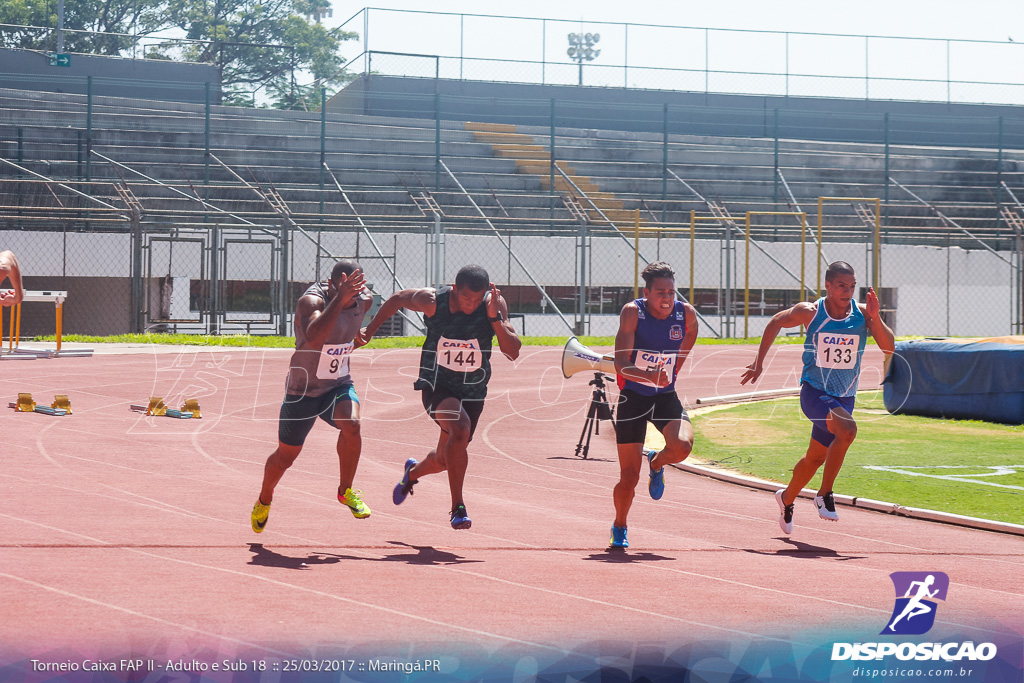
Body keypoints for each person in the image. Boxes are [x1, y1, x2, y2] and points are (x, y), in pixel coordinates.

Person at [356, 265, 521, 530]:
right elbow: (398, 299)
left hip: (473, 390)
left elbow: (512, 351)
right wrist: (370, 331)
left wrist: (494, 319)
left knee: (447, 459)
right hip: (437, 383)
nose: (472, 304)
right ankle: (458, 508)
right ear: (455, 289)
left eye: (478, 299)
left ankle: (411, 474)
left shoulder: (494, 304)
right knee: (460, 427)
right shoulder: (433, 301)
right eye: (467, 298)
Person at [740, 261, 895, 535]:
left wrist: (876, 316)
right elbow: (776, 322)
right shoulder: (811, 312)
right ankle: (824, 493)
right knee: (847, 430)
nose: (847, 292)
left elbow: (888, 347)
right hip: (814, 392)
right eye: (841, 286)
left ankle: (786, 498)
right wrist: (758, 361)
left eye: (851, 286)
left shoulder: (862, 315)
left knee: (814, 458)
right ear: (828, 286)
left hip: (845, 397)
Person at [251, 260, 373, 533]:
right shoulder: (310, 302)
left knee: (352, 425)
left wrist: (360, 333)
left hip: (337, 384)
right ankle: (265, 497)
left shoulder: (364, 299)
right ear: (331, 285)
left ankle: (346, 491)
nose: (353, 295)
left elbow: (352, 326)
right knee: (286, 456)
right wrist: (339, 302)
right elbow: (315, 337)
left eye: (357, 290)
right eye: (346, 290)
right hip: (302, 390)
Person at [609, 261, 698, 549]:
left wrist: (673, 371)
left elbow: (691, 334)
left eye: (671, 292)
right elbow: (620, 364)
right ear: (646, 292)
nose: (667, 298)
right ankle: (619, 525)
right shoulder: (632, 312)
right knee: (629, 478)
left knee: (682, 447)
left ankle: (657, 462)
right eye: (660, 292)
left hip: (664, 396)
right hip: (633, 398)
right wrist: (648, 375)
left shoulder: (685, 313)